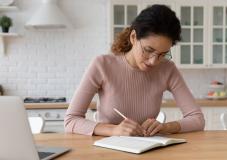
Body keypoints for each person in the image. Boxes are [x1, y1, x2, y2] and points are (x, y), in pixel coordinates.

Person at [64, 5, 205, 136]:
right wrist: (114, 129)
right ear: (133, 37)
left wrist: (165, 127)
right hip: (107, 150)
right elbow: (71, 120)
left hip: (147, 149)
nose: (153, 61)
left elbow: (197, 119)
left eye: (163, 54)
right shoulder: (102, 65)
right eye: (148, 50)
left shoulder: (167, 69)